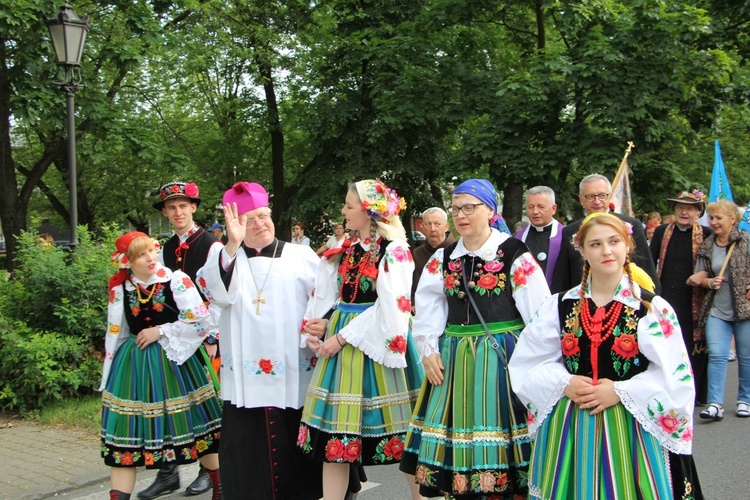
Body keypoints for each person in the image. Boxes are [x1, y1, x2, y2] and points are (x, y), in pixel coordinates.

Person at [509, 213, 700, 499]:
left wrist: (621, 390)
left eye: (614, 242)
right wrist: (565, 382)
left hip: (633, 426)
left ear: (627, 246)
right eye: (596, 244)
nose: (606, 251)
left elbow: (675, 374)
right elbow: (528, 361)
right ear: (582, 250)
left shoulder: (650, 308)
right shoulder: (559, 306)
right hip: (571, 422)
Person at [399, 179, 550, 498]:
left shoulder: (513, 254)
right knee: (458, 452)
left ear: (490, 210)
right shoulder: (444, 257)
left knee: (504, 449)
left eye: (470, 207)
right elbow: (427, 303)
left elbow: (540, 315)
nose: (461, 215)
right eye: (456, 208)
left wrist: (536, 367)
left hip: (501, 358)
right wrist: (427, 350)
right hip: (454, 359)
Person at [298, 179, 424, 500]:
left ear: (369, 212)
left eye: (349, 205)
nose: (343, 211)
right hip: (343, 343)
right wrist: (319, 325)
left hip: (377, 340)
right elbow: (332, 298)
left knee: (408, 441)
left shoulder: (394, 250)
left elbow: (391, 305)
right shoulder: (346, 249)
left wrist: (340, 337)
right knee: (334, 439)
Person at [195, 182, 322, 499]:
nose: (259, 223)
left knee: (301, 464)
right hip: (247, 384)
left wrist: (324, 325)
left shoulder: (302, 255)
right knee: (249, 461)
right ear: (234, 225)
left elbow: (325, 301)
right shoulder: (225, 258)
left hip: (296, 372)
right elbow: (214, 292)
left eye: (263, 215)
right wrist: (232, 245)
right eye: (248, 220)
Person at [100, 232, 222, 500]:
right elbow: (116, 333)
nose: (150, 258)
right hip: (133, 367)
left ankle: (220, 488)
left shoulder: (175, 280)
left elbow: (202, 322)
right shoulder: (120, 289)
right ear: (127, 261)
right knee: (125, 438)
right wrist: (110, 374)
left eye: (152, 251)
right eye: (142, 254)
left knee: (199, 428)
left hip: (176, 363)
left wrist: (161, 331)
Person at [146, 181, 224, 498]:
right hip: (175, 336)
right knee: (169, 404)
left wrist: (212, 336)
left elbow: (218, 295)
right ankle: (168, 472)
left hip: (204, 336)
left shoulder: (210, 245)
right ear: (165, 213)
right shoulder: (165, 249)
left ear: (193, 208)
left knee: (204, 407)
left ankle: (209, 471)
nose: (178, 212)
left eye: (183, 206)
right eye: (171, 207)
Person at [687, 199, 750, 421]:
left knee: (746, 357)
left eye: (718, 218)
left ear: (733, 219)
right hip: (716, 309)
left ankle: (745, 400)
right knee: (717, 355)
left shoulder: (746, 241)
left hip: (745, 309)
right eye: (711, 218)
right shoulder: (708, 244)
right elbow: (702, 273)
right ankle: (715, 404)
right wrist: (707, 282)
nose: (713, 222)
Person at [650, 190, 713, 405]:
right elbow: (650, 262)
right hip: (666, 296)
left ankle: (695, 394)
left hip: (693, 300)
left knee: (692, 346)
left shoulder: (706, 233)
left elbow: (714, 265)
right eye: (680, 207)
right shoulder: (661, 232)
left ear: (698, 213)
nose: (684, 212)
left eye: (690, 208)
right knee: (665, 345)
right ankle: (667, 389)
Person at [555, 174, 661, 294]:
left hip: (625, 298)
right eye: (590, 196)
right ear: (581, 200)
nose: (597, 201)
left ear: (609, 197)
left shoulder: (630, 225)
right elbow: (563, 277)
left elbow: (646, 268)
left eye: (602, 195)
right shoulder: (570, 231)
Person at [515, 186, 576, 293]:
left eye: (541, 207)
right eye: (530, 207)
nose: (535, 212)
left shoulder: (566, 238)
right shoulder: (517, 238)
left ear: (553, 209)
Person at [411, 207, 456, 314]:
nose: (432, 229)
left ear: (446, 227)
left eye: (437, 224)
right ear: (422, 227)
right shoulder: (417, 253)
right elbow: (413, 283)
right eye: (428, 224)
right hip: (423, 311)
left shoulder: (457, 250)